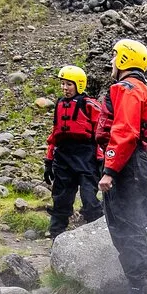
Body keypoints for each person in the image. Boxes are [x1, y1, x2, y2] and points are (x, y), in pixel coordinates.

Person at [95, 39, 147, 294]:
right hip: (133, 161)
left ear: (125, 59)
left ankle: (136, 293)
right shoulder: (143, 87)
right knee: (126, 223)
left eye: (115, 56)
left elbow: (125, 131)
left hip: (127, 163)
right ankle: (135, 288)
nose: (112, 62)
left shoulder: (128, 89)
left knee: (128, 225)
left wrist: (110, 170)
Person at [44, 65, 103, 240]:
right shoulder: (60, 104)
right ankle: (56, 237)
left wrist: (102, 160)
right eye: (62, 84)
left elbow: (102, 133)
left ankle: (100, 237)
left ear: (79, 85)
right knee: (61, 200)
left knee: (89, 199)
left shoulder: (90, 104)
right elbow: (54, 135)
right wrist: (49, 161)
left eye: (69, 84)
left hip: (86, 157)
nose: (65, 88)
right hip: (63, 157)